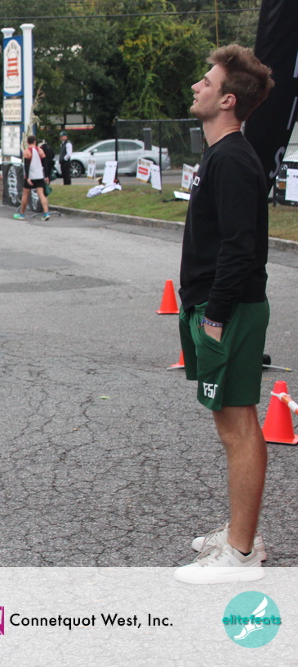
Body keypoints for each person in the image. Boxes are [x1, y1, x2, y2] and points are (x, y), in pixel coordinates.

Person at [173, 45, 273, 585]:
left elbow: (240, 246)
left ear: (228, 100)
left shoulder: (232, 158)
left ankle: (240, 554)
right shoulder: (221, 155)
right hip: (215, 308)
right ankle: (241, 532)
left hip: (227, 311)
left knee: (238, 427)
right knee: (231, 423)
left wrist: (214, 316)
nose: (197, 86)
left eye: (207, 81)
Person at [13, 136, 51, 221]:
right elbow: (45, 164)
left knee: (25, 194)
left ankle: (22, 214)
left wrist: (27, 177)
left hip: (31, 176)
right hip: (39, 175)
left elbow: (26, 166)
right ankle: (46, 213)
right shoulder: (40, 150)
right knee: (41, 194)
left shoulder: (26, 152)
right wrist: (46, 176)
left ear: (27, 142)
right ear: (35, 141)